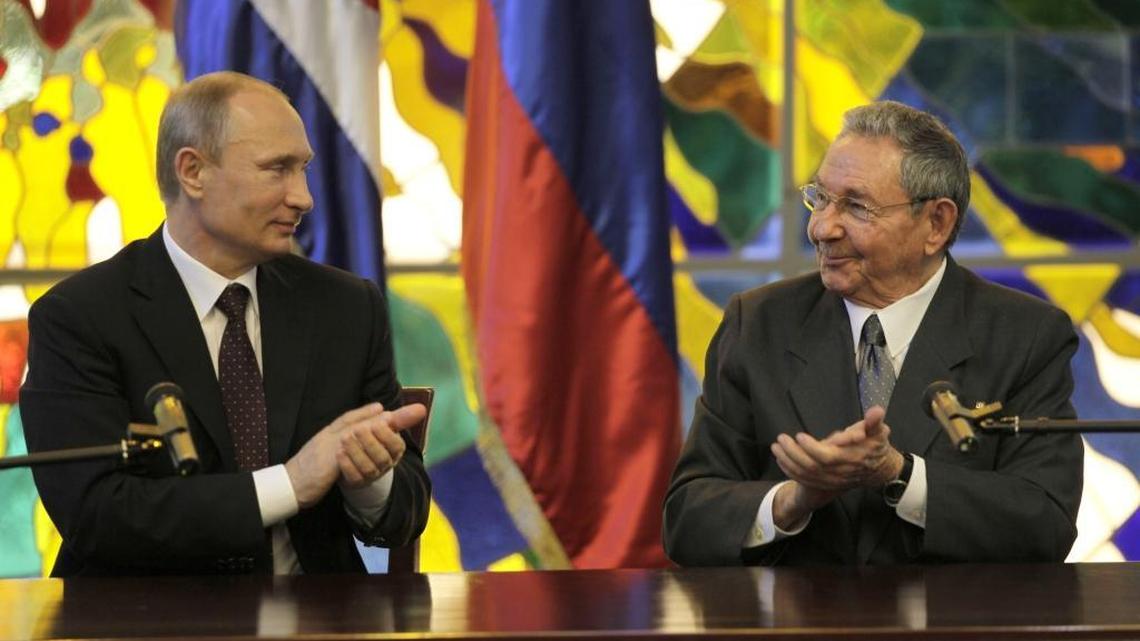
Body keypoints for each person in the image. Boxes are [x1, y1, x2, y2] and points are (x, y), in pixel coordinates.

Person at [20, 71, 431, 576]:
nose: (303, 197)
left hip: (321, 622)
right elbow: (97, 513)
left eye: (303, 169)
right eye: (277, 169)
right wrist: (291, 483)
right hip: (146, 625)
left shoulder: (345, 307)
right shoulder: (80, 317)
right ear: (193, 171)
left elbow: (406, 509)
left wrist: (368, 476)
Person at [663, 101, 1083, 566]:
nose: (821, 227)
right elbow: (686, 520)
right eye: (819, 198)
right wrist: (792, 501)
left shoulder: (1024, 336)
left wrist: (898, 475)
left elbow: (1044, 523)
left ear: (936, 224)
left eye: (857, 207)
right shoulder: (758, 323)